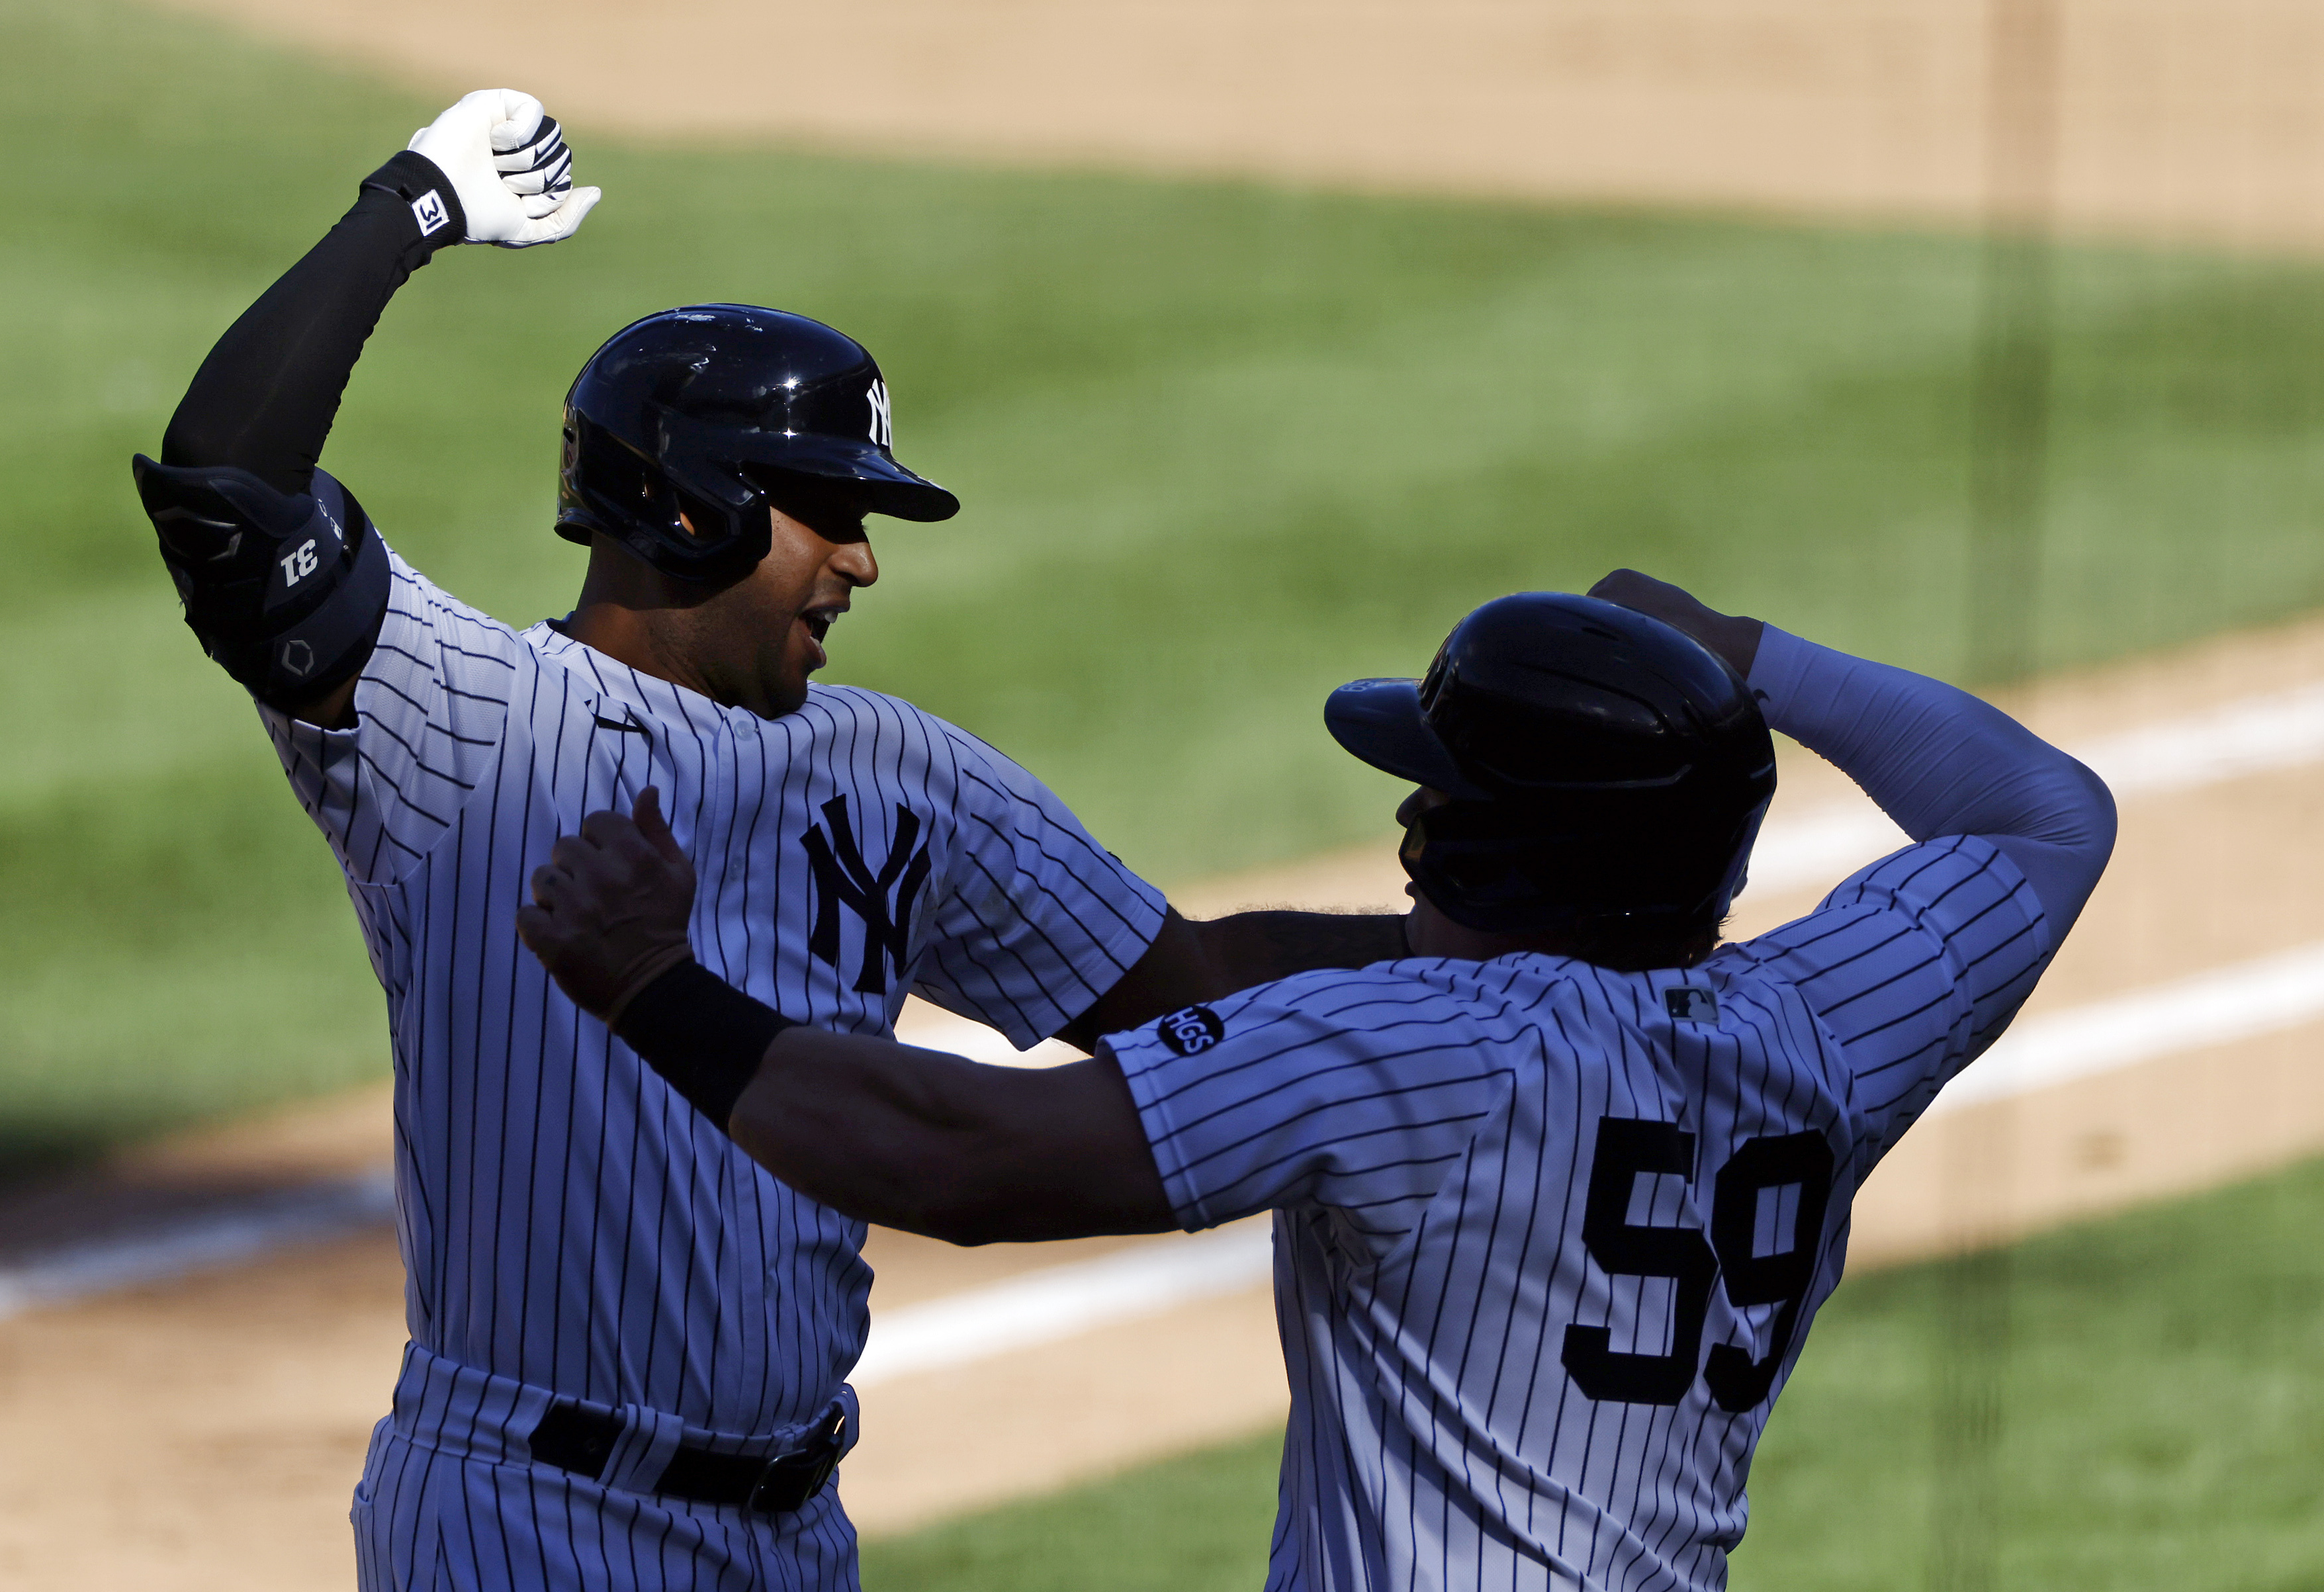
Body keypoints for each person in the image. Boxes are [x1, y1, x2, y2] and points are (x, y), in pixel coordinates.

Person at [131, 87, 1399, 1591]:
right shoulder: (460, 719)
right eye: (821, 510)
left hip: (796, 1529)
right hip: (528, 1515)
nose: (860, 559)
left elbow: (1178, 972)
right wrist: (407, 206)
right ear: (681, 505)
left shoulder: (896, 768)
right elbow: (226, 484)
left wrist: (1492, 946)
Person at [515, 572, 2118, 1591]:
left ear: (1465, 839)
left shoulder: (1409, 1051)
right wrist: (1750, 658)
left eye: (1433, 791)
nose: (1408, 820)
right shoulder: (1825, 1020)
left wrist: (652, 985)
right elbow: (2045, 815)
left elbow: (959, 1154)